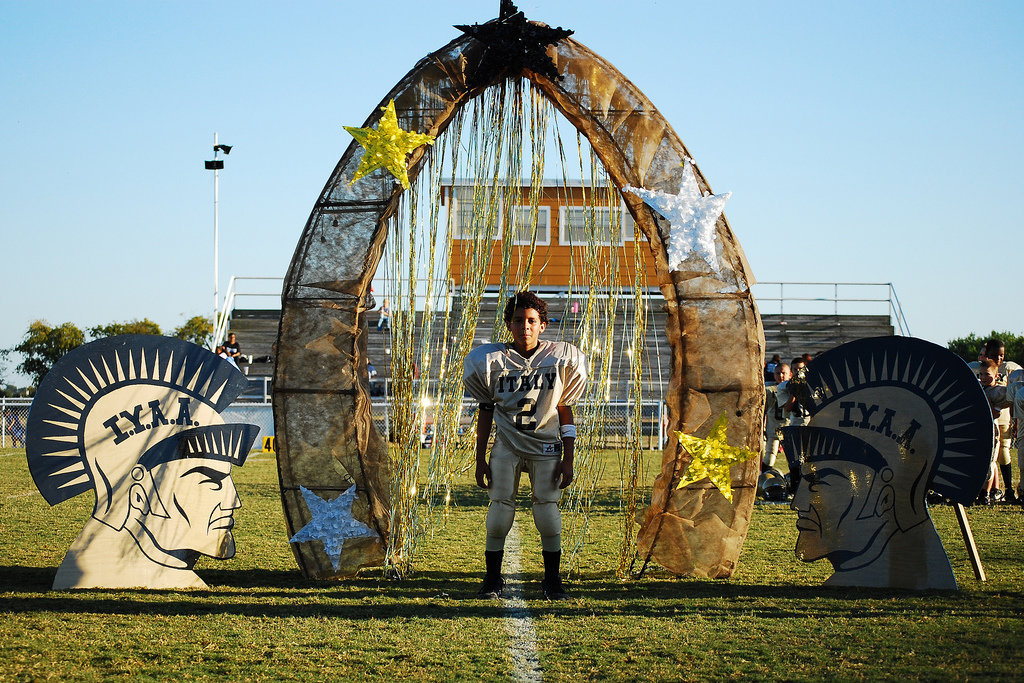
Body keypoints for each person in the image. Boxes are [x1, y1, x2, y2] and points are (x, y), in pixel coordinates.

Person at [463, 291, 587, 600]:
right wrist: (480, 458)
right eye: (518, 321)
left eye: (531, 321)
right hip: (507, 445)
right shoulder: (491, 359)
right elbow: (486, 410)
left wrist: (568, 455)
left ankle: (552, 580)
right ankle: (493, 579)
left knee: (547, 511)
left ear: (543, 325)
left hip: (546, 445)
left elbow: (565, 409)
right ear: (508, 324)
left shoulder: (561, 357)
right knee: (499, 509)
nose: (525, 327)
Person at [968, 338, 1023, 502]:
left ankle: (1008, 490)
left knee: (1003, 452)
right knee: (985, 456)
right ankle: (989, 490)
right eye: (994, 355)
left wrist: (1015, 417)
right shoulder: (976, 368)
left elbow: (1014, 394)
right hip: (982, 418)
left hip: (1001, 416)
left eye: (1001, 356)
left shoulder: (1010, 368)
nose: (998, 359)